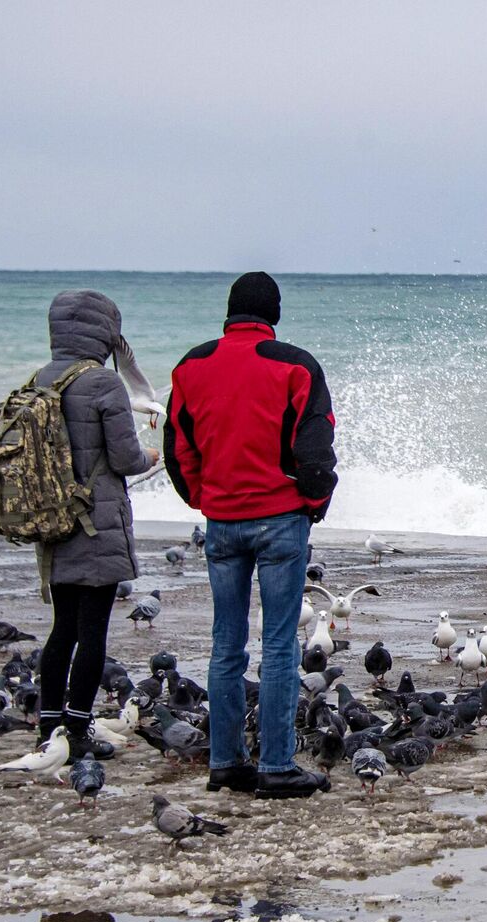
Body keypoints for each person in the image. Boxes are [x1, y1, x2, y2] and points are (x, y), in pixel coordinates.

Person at [165, 272, 338, 799]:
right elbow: (315, 447)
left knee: (226, 644)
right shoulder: (296, 364)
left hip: (221, 522)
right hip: (281, 518)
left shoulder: (191, 365)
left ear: (230, 312)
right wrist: (314, 504)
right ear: (274, 314)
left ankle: (225, 762)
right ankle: (277, 765)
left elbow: (178, 444)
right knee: (281, 644)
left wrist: (203, 497)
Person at [34, 290, 158, 762]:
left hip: (53, 522)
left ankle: (49, 729)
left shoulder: (40, 379)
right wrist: (149, 456)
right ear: (104, 331)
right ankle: (79, 729)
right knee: (93, 630)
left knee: (61, 627)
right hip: (97, 523)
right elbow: (125, 459)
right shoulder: (104, 384)